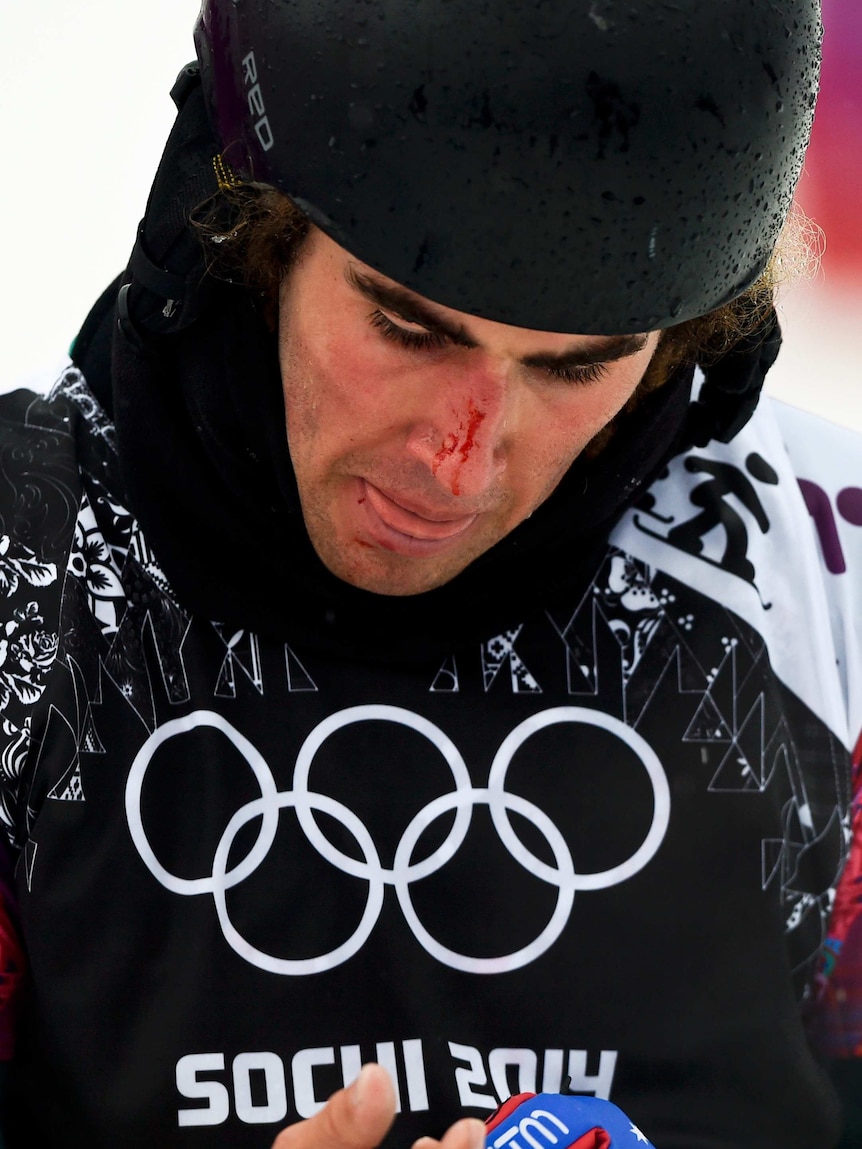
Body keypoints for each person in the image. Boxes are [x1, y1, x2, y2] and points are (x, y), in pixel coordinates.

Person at [0, 1, 859, 1146]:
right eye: (407, 326)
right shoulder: (27, 573)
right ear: (244, 234)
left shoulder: (826, 578)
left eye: (577, 366)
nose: (461, 461)